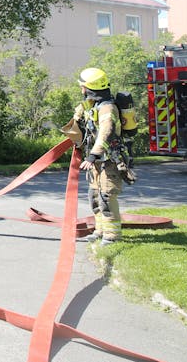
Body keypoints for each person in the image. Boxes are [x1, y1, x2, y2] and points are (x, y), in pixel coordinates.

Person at [65, 67, 125, 246]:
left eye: (83, 86)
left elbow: (107, 132)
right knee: (94, 195)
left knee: (106, 196)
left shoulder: (108, 108)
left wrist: (92, 155)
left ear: (89, 87)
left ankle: (112, 235)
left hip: (110, 160)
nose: (81, 89)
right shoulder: (91, 105)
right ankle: (100, 230)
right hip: (96, 160)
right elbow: (81, 126)